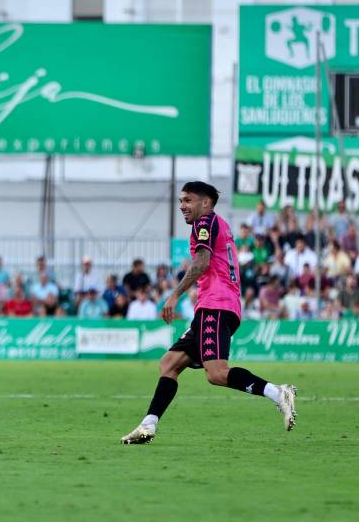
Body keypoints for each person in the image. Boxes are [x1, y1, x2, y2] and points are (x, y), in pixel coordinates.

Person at [121, 181, 297, 445]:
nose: (182, 206)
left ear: (206, 203)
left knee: (216, 373)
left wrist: (175, 294)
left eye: (188, 200)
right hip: (219, 305)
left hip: (215, 305)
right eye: (181, 201)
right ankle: (148, 425)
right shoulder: (220, 224)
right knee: (169, 363)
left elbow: (202, 261)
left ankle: (278, 392)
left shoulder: (205, 223)